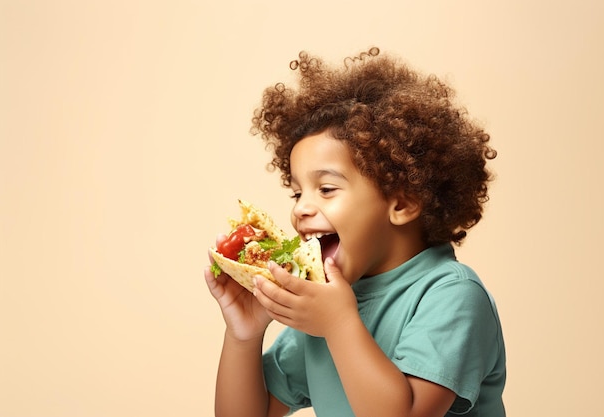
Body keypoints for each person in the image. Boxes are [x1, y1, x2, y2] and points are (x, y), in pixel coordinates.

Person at [205, 47, 506, 417]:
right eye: (297, 192)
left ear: (401, 203)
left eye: (326, 189)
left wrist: (338, 324)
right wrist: (244, 335)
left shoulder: (452, 295)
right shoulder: (327, 305)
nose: (300, 208)